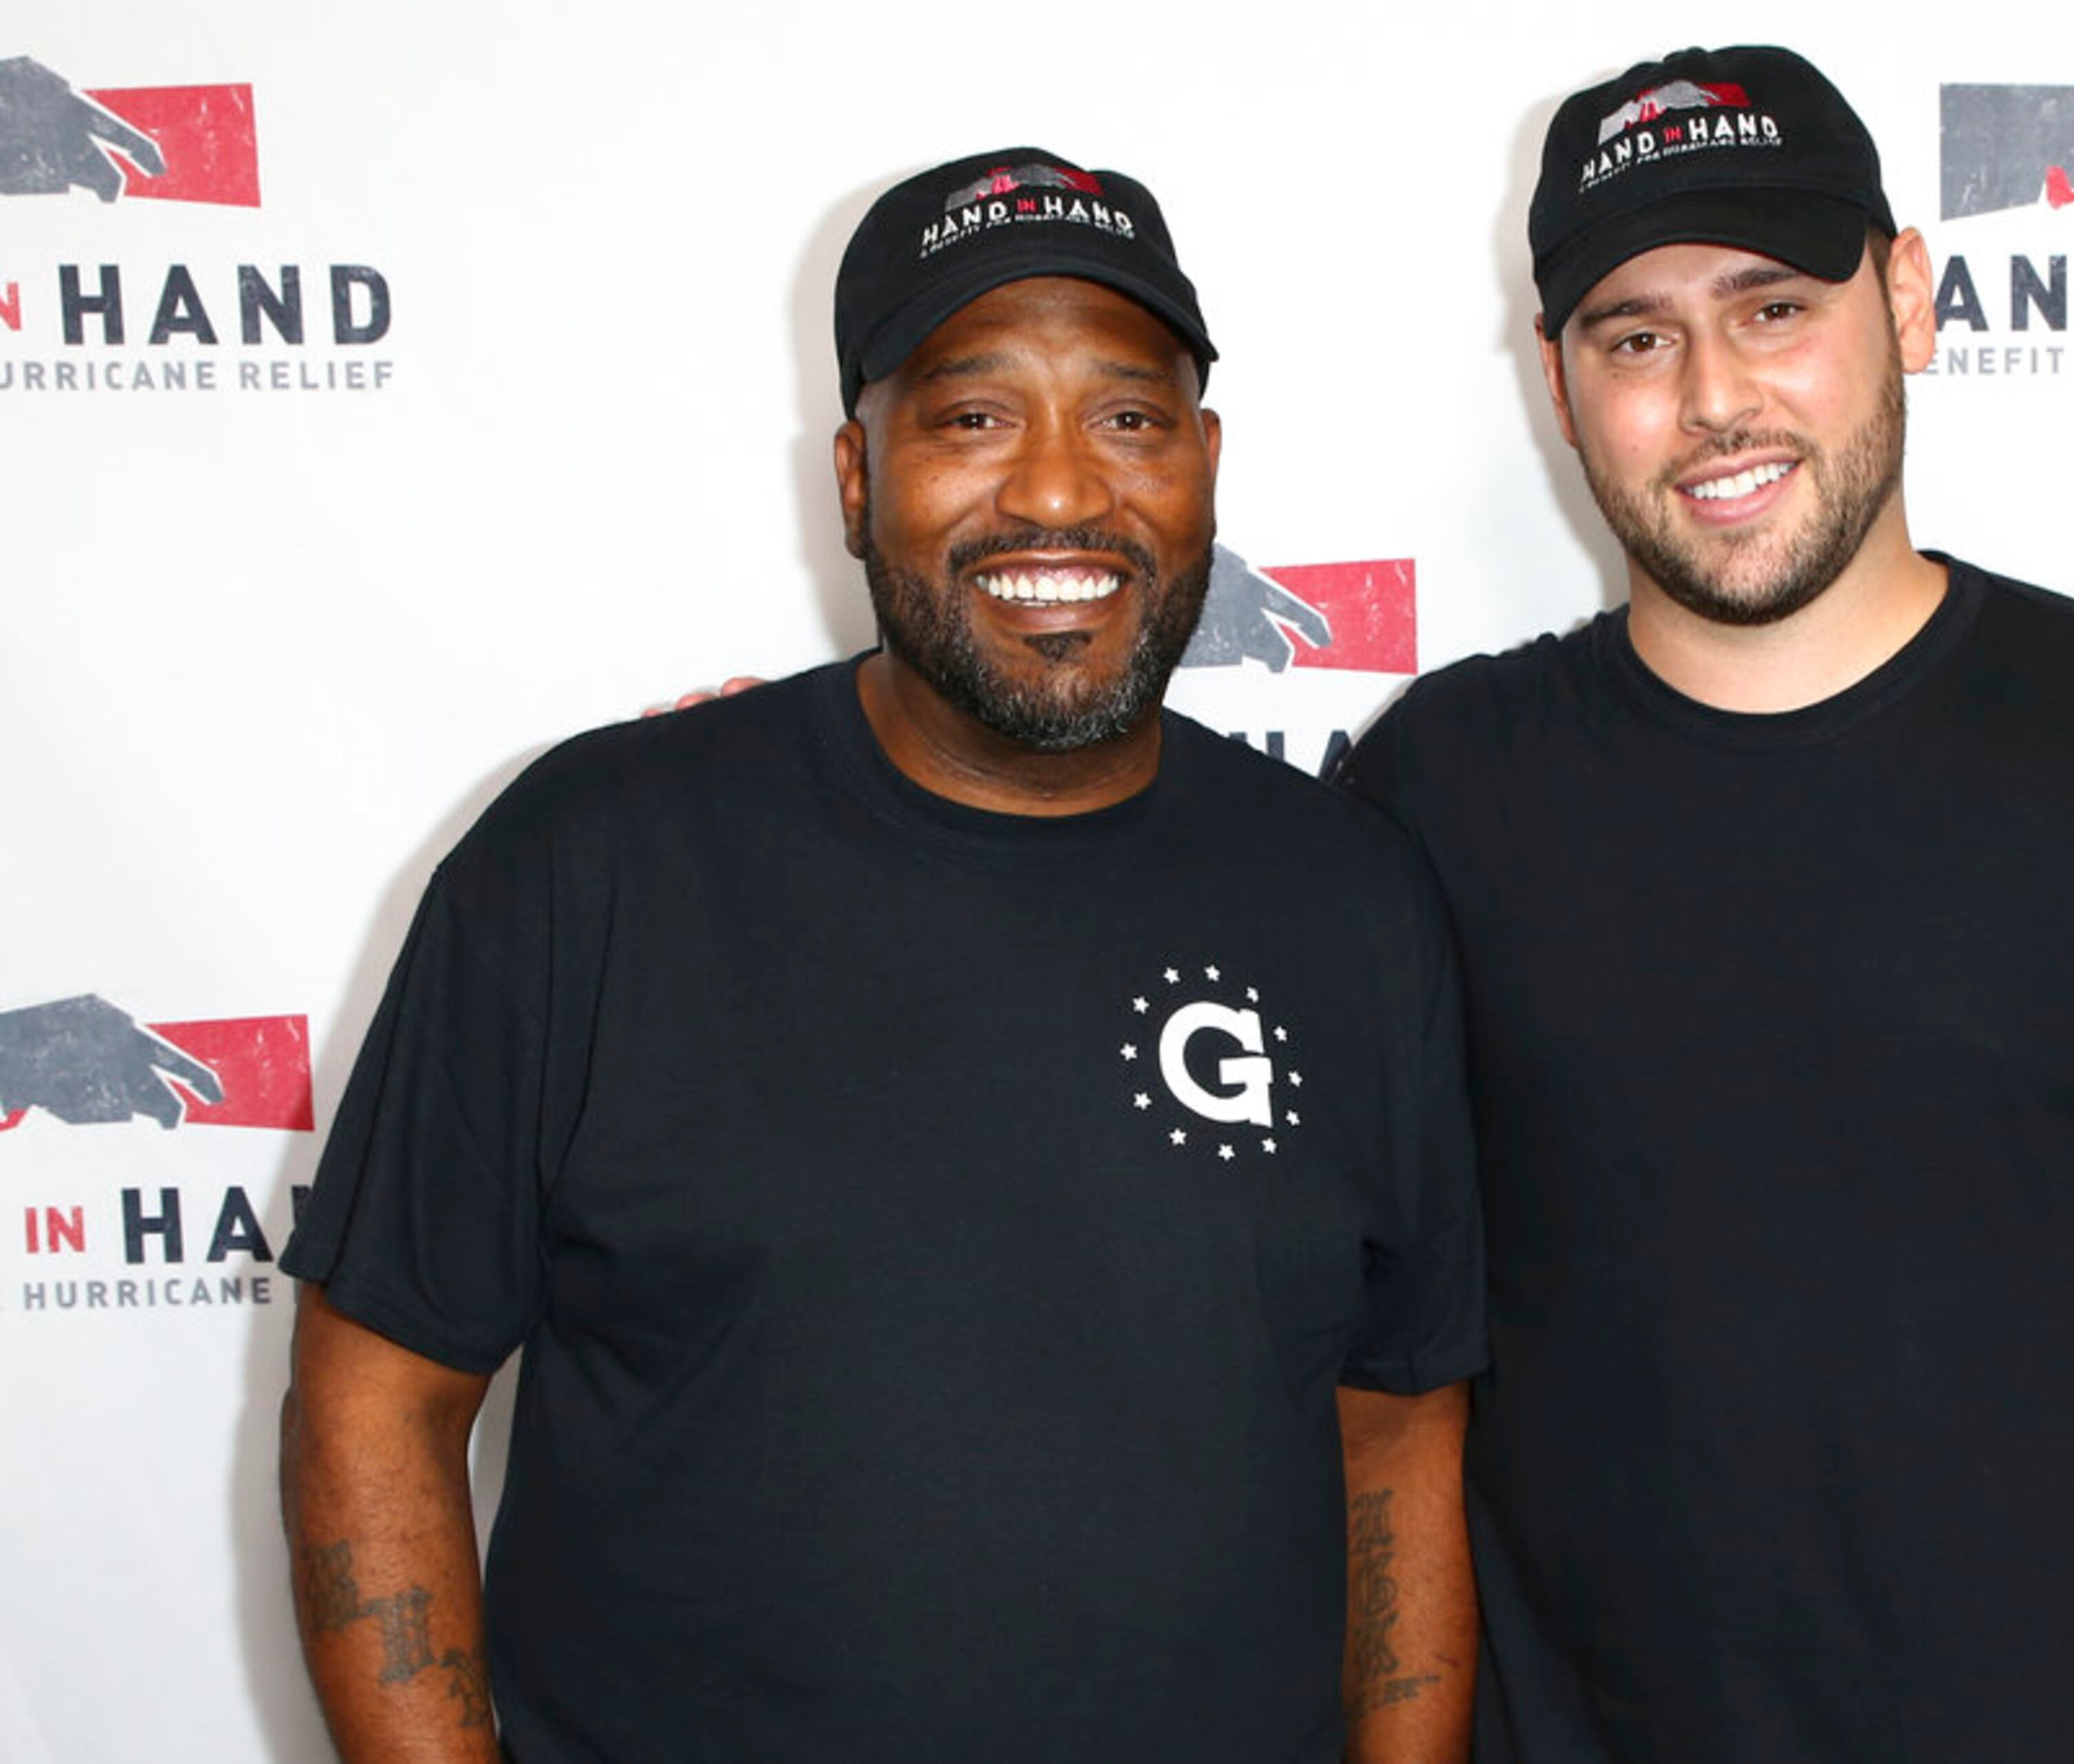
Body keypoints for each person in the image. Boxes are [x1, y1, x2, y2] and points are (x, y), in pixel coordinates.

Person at [1331, 45, 2074, 1764]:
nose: (1713, 397)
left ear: (1911, 300)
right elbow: (1382, 1379)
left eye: (1775, 308)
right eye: (1636, 338)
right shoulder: (1437, 789)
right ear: (1559, 385)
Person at [277, 147, 1483, 1764]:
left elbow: (1398, 1429)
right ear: (856, 476)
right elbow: (376, 1393)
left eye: (1128, 419)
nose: (1057, 493)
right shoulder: (587, 863)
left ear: (1206, 463)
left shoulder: (1354, 898)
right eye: (973, 418)